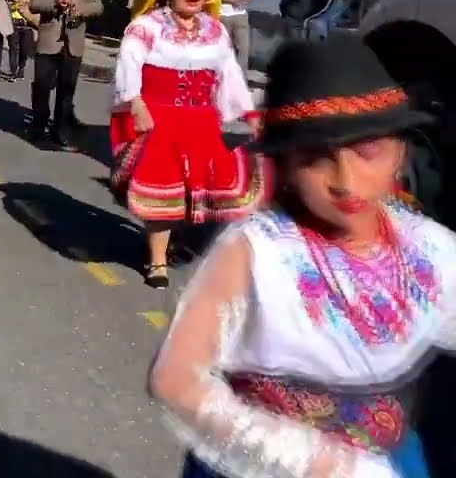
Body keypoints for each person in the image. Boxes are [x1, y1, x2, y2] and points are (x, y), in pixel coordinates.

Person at [150, 36, 455, 478]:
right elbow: (175, 379)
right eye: (316, 159)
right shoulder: (255, 251)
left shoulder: (427, 246)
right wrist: (318, 461)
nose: (345, 181)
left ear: (401, 151)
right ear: (287, 167)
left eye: (368, 151)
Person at [110, 0, 268, 289]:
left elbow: (229, 74)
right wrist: (135, 102)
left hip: (201, 122)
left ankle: (173, 241)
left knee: (193, 188)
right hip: (159, 120)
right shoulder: (146, 27)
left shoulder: (215, 30)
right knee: (163, 191)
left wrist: (250, 114)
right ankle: (156, 260)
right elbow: (128, 65)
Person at [29, 0, 103, 149]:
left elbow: (97, 5)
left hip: (74, 42)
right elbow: (34, 4)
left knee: (66, 90)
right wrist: (55, 3)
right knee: (42, 87)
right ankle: (38, 125)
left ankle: (60, 131)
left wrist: (79, 9)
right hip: (49, 41)